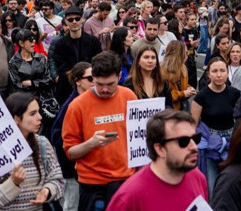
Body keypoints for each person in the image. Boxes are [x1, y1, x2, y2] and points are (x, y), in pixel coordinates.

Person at [62, 51, 138, 211]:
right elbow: (70, 152)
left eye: (110, 84)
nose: (104, 89)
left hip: (126, 180)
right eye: (99, 84)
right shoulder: (77, 106)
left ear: (119, 76)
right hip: (93, 184)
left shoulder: (129, 96)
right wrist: (91, 144)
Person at [107, 109, 208, 210]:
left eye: (196, 138)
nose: (194, 147)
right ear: (159, 149)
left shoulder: (198, 178)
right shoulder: (129, 197)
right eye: (183, 141)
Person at [0, 93, 65, 210]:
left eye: (38, 111)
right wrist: (13, 183)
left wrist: (47, 191)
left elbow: (58, 180)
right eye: (32, 113)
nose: (40, 117)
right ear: (16, 119)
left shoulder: (42, 144)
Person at [191, 57, 241, 192]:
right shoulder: (201, 96)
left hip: (231, 140)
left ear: (227, 72)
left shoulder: (235, 93)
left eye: (222, 71)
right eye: (214, 71)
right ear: (208, 74)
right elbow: (193, 126)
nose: (219, 75)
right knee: (212, 184)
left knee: (232, 182)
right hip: (209, 142)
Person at [51, 62, 92, 210]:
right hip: (72, 168)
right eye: (90, 78)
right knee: (73, 206)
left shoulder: (91, 101)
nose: (95, 81)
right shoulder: (70, 105)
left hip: (88, 167)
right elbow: (56, 136)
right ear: (78, 81)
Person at [9, 29, 57, 135]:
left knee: (47, 133)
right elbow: (18, 85)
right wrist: (40, 83)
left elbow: (48, 80)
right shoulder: (14, 62)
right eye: (30, 40)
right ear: (21, 43)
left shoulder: (41, 58)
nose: (33, 42)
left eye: (34, 39)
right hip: (27, 104)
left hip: (45, 103)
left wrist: (32, 83)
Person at [52, 7, 103, 105]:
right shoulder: (60, 44)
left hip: (90, 85)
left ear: (82, 20)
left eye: (77, 19)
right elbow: (61, 67)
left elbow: (97, 63)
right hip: (67, 89)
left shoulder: (94, 42)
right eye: (70, 20)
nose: (74, 22)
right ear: (66, 21)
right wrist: (79, 78)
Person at [163, 41, 197, 111]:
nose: (187, 55)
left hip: (182, 108)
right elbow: (165, 96)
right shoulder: (163, 72)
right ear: (178, 55)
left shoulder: (183, 67)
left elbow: (181, 85)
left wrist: (189, 88)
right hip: (170, 111)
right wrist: (182, 94)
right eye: (186, 53)